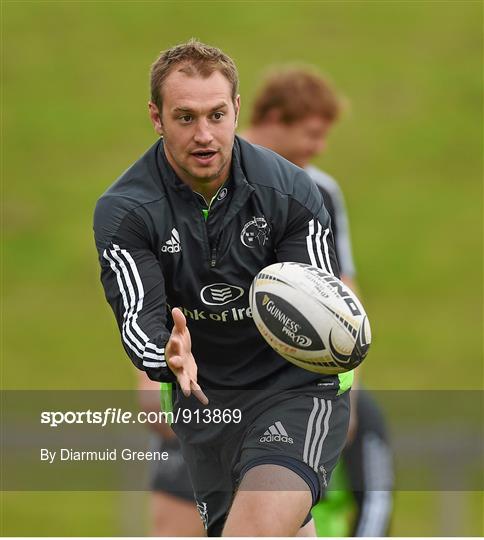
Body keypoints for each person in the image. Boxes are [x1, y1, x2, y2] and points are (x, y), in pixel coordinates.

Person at [94, 39, 353, 537]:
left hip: (296, 391)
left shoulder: (292, 192)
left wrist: (340, 344)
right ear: (156, 117)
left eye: (216, 115)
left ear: (236, 109)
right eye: (185, 117)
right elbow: (138, 318)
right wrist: (162, 357)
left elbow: (319, 298)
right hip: (205, 402)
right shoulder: (126, 210)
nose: (204, 134)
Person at [244, 68, 394, 536]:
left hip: (293, 384)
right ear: (273, 118)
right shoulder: (207, 175)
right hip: (218, 380)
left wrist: (346, 386)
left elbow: (342, 291)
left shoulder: (323, 190)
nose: (320, 147)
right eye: (311, 134)